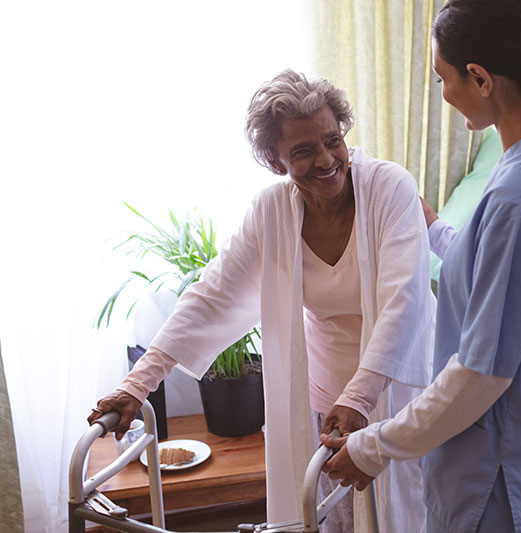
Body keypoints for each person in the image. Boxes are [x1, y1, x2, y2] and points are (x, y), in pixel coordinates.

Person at [320, 1, 521, 531]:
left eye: (444, 78)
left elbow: (480, 375)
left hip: (499, 474)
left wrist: (374, 446)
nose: (443, 94)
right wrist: (435, 229)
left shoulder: (520, 197)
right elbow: (510, 275)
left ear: (481, 78)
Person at [88, 69, 434, 533]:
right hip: (325, 396)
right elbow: (212, 294)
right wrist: (138, 384)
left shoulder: (390, 188)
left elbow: (403, 303)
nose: (327, 159)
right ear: (276, 161)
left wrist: (359, 397)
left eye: (333, 140)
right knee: (330, 519)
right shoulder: (271, 211)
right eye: (304, 150)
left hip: (396, 391)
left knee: (403, 515)